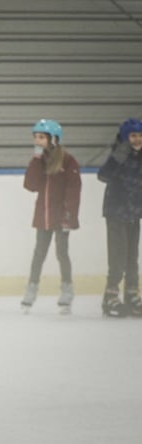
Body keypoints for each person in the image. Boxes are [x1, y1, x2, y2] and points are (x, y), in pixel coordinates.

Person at [21, 119, 82, 314]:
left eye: (41, 137)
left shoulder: (68, 161)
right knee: (38, 254)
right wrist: (36, 161)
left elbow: (74, 191)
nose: (37, 141)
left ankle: (67, 290)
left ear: (54, 139)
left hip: (61, 217)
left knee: (62, 254)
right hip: (43, 217)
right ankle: (31, 289)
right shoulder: (40, 161)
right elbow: (30, 185)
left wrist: (69, 217)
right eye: (36, 137)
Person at [96, 117, 142, 317]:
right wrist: (118, 156)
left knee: (132, 257)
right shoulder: (118, 155)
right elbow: (103, 176)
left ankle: (132, 293)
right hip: (116, 213)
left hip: (134, 213)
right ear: (124, 138)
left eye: (140, 136)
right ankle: (110, 296)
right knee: (118, 256)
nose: (137, 139)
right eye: (133, 136)